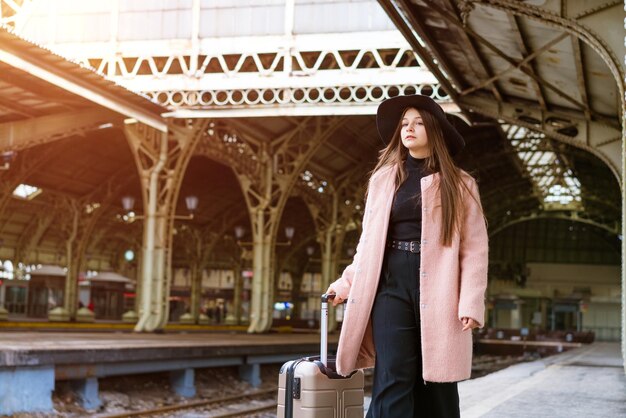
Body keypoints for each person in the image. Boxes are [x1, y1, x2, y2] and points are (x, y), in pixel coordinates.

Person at [326, 94, 488, 417]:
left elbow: (474, 249)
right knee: (392, 373)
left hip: (440, 287)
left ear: (434, 129)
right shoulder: (384, 180)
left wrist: (471, 300)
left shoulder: (461, 185)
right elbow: (368, 244)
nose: (408, 129)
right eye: (403, 124)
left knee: (437, 380)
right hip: (391, 283)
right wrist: (346, 284)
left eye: (417, 122)